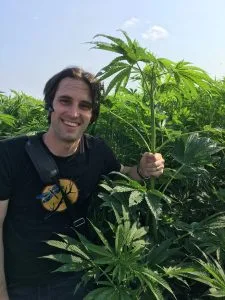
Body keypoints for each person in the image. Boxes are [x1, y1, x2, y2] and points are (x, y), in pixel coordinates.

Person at [0, 67, 164, 299]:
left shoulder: (97, 151)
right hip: (20, 285)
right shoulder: (9, 154)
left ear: (93, 114)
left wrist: (143, 169)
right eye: (65, 101)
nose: (74, 113)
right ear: (50, 105)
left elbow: (122, 174)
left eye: (84, 106)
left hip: (78, 279)